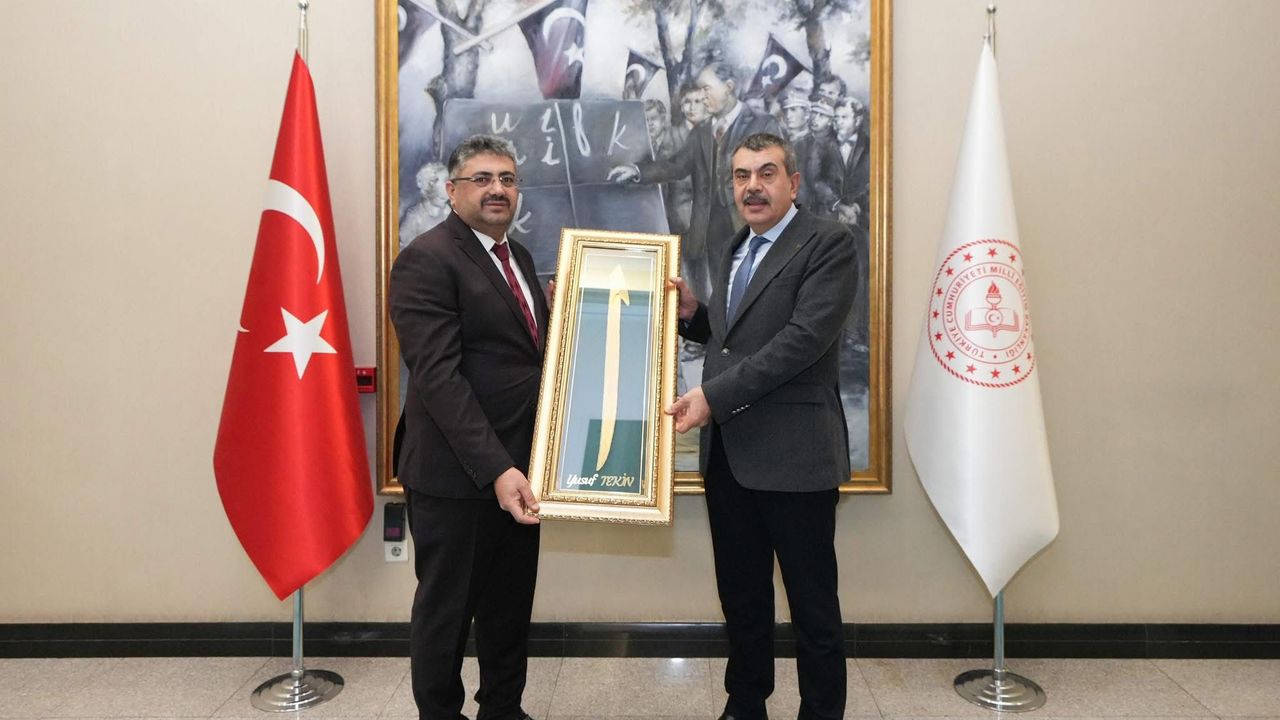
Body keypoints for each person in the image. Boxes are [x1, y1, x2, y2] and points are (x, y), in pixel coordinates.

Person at [667, 133, 856, 720]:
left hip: (796, 458)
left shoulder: (828, 243)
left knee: (812, 606)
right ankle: (745, 703)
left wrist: (710, 397)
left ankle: (821, 712)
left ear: (792, 183)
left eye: (766, 173)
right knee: (742, 598)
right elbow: (737, 340)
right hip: (730, 458)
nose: (752, 186)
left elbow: (801, 342)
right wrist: (695, 317)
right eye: (741, 175)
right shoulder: (735, 248)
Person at [389, 134, 546, 720]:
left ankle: (504, 709)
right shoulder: (427, 259)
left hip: (520, 469)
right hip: (458, 477)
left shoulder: (517, 256)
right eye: (481, 179)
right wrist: (497, 468)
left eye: (507, 178)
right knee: (446, 615)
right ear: (452, 192)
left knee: (509, 608)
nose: (497, 189)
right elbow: (439, 378)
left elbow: (522, 358)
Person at [608, 62, 781, 300]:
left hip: (752, 227)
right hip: (712, 230)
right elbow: (676, 166)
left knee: (758, 294)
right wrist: (637, 171)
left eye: (706, 89)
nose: (702, 96)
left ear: (729, 87)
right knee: (722, 294)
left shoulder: (762, 124)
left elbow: (776, 179)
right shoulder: (702, 131)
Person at [399, 161, 450, 249]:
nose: (447, 198)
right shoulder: (414, 217)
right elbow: (404, 249)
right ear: (429, 193)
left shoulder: (447, 212)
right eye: (441, 198)